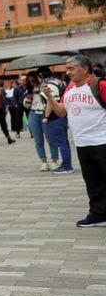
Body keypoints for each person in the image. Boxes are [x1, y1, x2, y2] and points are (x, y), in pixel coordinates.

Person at [55, 54, 106, 227]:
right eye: (67, 69)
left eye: (71, 68)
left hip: (102, 141)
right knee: (93, 182)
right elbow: (61, 112)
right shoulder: (69, 89)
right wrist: (49, 98)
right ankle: (98, 214)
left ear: (84, 69)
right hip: (82, 143)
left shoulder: (100, 85)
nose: (68, 72)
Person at [39, 68, 74, 174]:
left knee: (61, 142)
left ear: (41, 76)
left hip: (55, 117)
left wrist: (46, 116)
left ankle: (67, 166)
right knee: (64, 141)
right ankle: (67, 164)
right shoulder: (58, 82)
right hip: (62, 115)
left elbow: (51, 101)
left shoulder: (49, 85)